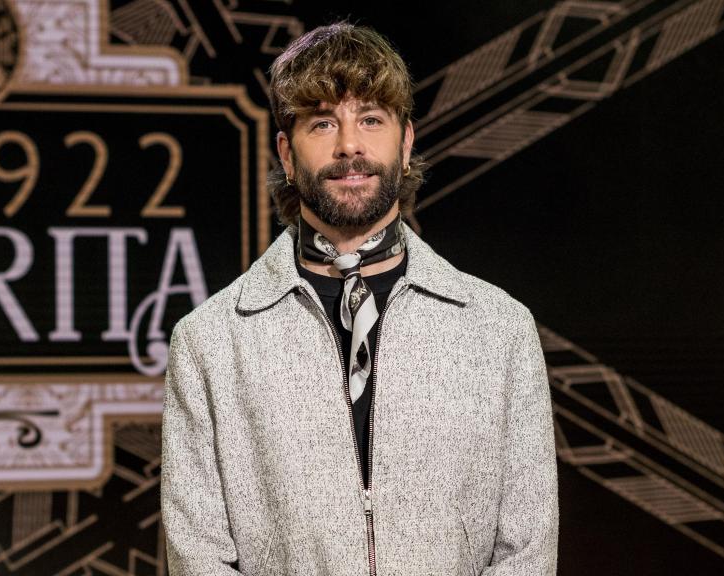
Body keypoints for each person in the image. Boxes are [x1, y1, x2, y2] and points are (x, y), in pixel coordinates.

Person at [161, 22, 558, 575]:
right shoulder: (211, 341)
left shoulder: (499, 330)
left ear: (406, 142)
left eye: (371, 119)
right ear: (287, 153)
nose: (350, 144)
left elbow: (528, 552)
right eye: (323, 122)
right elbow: (197, 558)